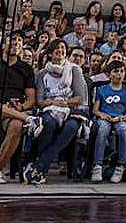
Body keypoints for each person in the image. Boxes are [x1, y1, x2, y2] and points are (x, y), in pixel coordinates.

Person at [24, 39, 89, 186]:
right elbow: (40, 101)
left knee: (71, 127)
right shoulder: (42, 74)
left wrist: (62, 102)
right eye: (57, 48)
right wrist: (53, 103)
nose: (60, 50)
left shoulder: (74, 70)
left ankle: (39, 166)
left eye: (63, 47)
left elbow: (80, 98)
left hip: (71, 111)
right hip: (49, 111)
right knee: (48, 123)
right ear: (50, 53)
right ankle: (40, 169)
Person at [0, 32, 36, 185]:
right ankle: (27, 118)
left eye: (19, 40)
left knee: (17, 125)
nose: (16, 42)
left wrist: (22, 106)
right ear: (3, 44)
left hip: (13, 112)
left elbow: (31, 100)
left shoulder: (26, 69)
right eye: (12, 39)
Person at [90, 62, 126, 182]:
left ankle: (120, 165)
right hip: (104, 118)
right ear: (109, 74)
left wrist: (125, 117)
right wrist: (101, 114)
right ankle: (97, 165)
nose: (119, 74)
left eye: (122, 71)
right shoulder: (101, 89)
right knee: (103, 130)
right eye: (116, 71)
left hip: (120, 119)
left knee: (124, 130)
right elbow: (95, 110)